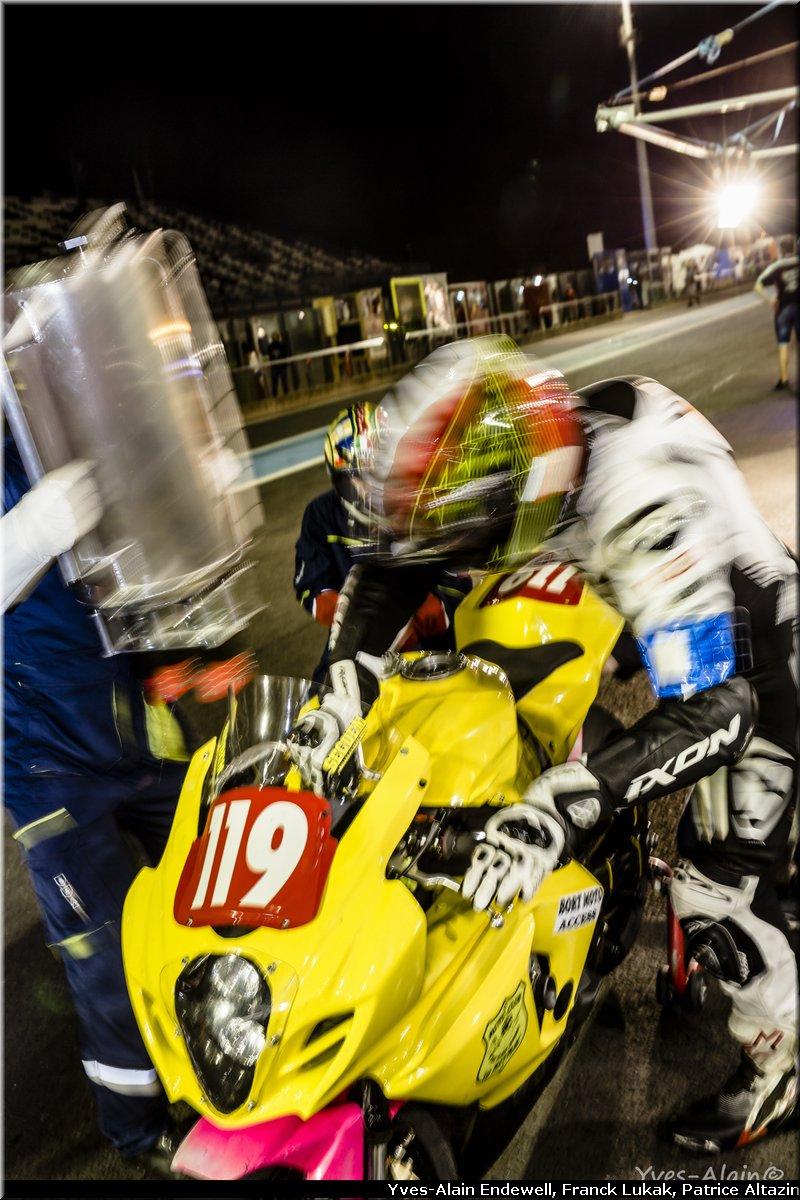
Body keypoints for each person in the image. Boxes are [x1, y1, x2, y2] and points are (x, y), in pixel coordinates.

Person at [290, 337, 798, 1154]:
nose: (457, 549)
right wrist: (338, 684)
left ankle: (781, 1068)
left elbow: (719, 707)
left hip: (758, 662)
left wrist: (562, 807)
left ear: (520, 495)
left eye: (470, 528)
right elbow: (400, 562)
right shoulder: (539, 438)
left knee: (716, 890)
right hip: (686, 606)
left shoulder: (635, 499)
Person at [2, 436, 192, 1173]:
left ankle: (225, 1049)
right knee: (107, 952)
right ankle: (137, 1128)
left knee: (219, 885)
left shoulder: (44, 410)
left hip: (135, 730)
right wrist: (30, 534)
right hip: (47, 764)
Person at [294, 403, 469, 681]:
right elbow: (318, 594)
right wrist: (354, 616)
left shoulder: (427, 505)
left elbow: (455, 586)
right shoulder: (321, 514)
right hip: (355, 644)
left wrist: (439, 602)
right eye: (354, 478)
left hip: (426, 650)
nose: (366, 490)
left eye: (376, 473)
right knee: (319, 696)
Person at [754, 246, 798, 392]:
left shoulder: (777, 266)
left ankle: (784, 380)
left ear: (780, 251)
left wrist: (771, 300)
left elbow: (757, 285)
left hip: (783, 309)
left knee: (783, 344)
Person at [267, 328, 290, 398]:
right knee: (283, 382)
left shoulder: (270, 346)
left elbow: (270, 357)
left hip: (275, 367)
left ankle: (275, 397)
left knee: (275, 384)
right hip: (281, 366)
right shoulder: (282, 345)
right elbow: (285, 355)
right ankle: (286, 396)